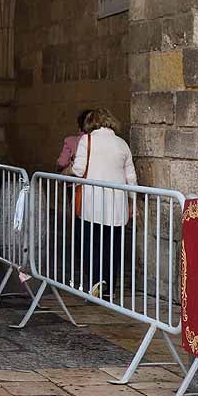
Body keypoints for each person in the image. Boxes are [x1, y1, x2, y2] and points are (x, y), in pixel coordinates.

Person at [68, 108, 137, 298]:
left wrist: (69, 169)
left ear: (90, 123)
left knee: (91, 244)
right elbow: (131, 178)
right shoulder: (122, 144)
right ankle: (109, 289)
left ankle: (94, 282)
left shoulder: (87, 140)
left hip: (92, 204)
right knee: (113, 247)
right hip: (116, 206)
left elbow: (80, 170)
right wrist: (133, 204)